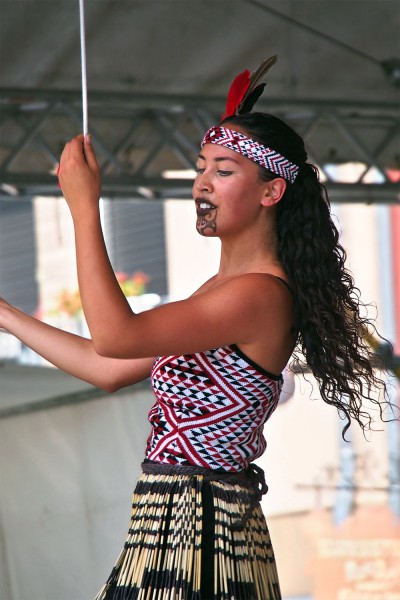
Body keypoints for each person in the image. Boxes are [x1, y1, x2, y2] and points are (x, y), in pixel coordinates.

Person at [0, 58, 392, 600]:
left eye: (223, 171)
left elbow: (116, 337)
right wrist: (6, 314)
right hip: (171, 522)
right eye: (201, 166)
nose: (202, 184)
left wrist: (85, 210)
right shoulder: (218, 290)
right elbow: (108, 366)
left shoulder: (257, 295)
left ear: (271, 192)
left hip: (203, 532)